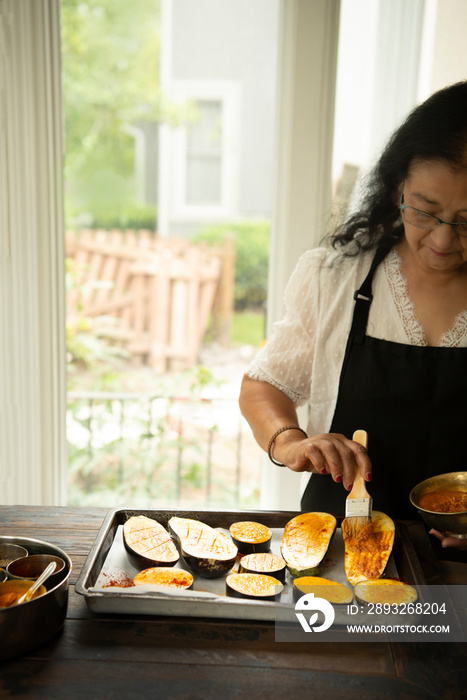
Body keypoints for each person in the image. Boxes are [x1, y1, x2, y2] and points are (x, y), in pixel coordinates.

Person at [239, 81, 467, 552]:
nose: (443, 241)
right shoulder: (336, 278)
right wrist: (291, 443)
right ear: (396, 188)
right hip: (333, 552)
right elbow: (265, 385)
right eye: (425, 212)